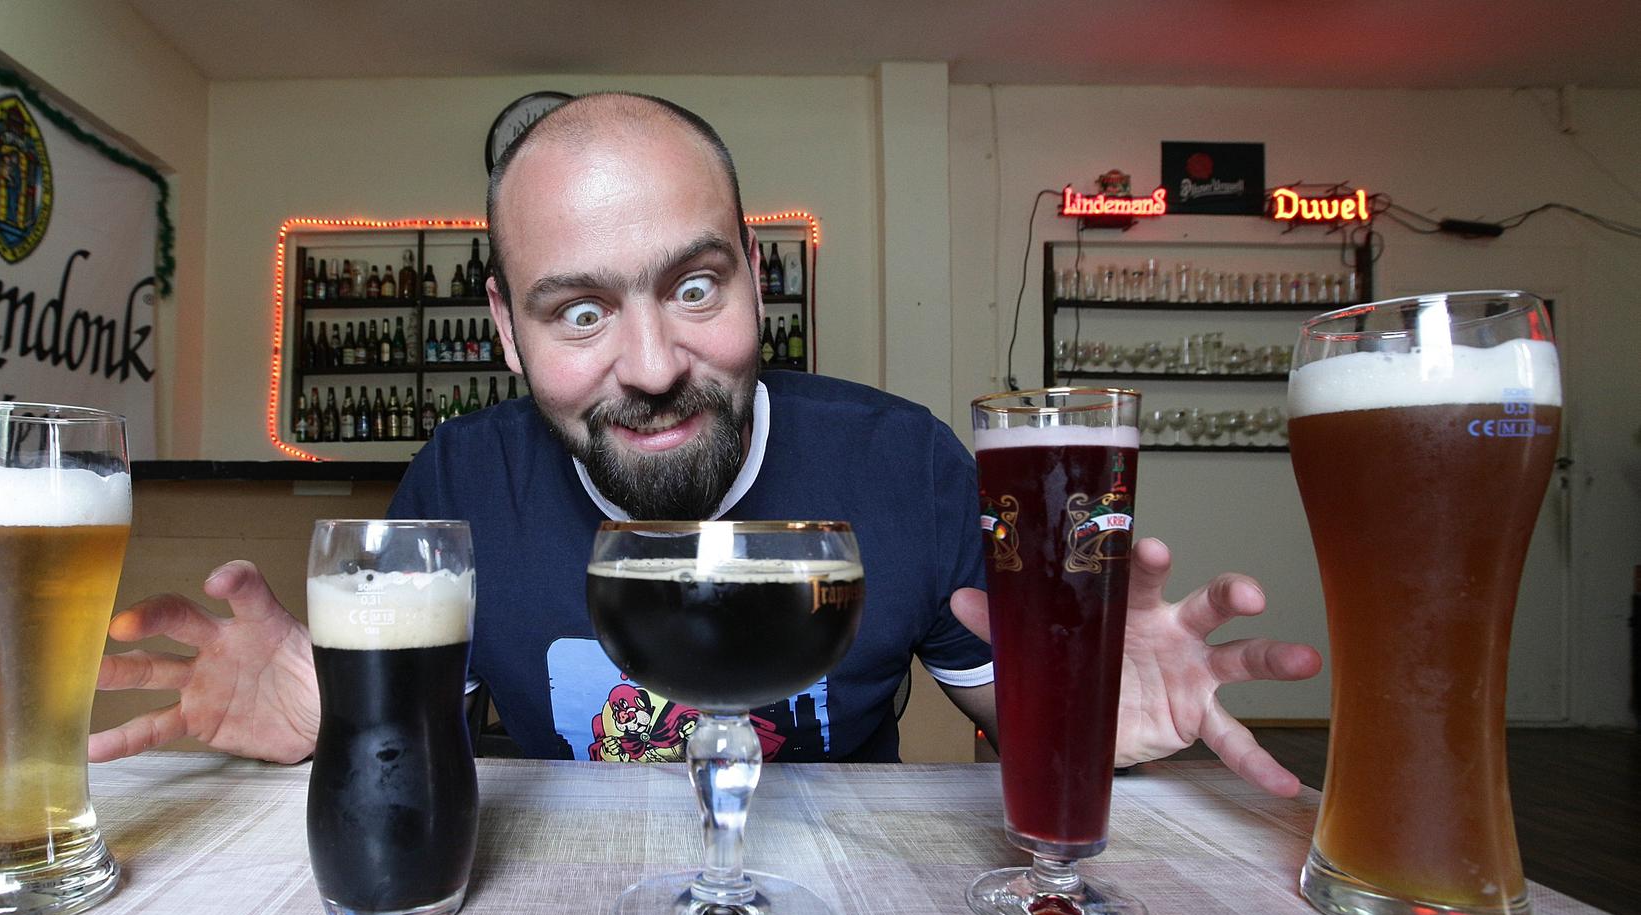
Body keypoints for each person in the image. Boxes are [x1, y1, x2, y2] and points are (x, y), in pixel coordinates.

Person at [92, 93, 1320, 795]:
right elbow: (404, 750)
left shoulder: (905, 467)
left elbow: (1025, 723)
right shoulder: (458, 486)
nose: (651, 364)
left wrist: (1088, 713)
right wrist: (341, 714)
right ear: (506, 334)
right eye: (579, 312)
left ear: (756, 278)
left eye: (693, 287)